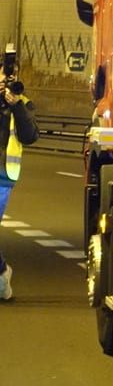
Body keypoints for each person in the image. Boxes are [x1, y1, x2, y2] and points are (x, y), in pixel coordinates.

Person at [0, 66, 40, 302]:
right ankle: (2, 274)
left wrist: (15, 106)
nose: (7, 81)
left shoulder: (23, 102)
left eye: (11, 77)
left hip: (3, 176)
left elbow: (30, 136)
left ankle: (3, 274)